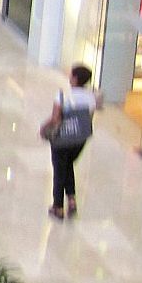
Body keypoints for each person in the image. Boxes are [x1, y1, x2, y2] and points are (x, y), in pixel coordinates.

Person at [42, 64, 99, 220]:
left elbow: (55, 119)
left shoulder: (62, 95)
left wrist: (44, 127)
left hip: (62, 138)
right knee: (67, 165)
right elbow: (88, 118)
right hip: (79, 139)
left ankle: (58, 207)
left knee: (59, 170)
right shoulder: (91, 98)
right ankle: (72, 200)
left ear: (74, 78)